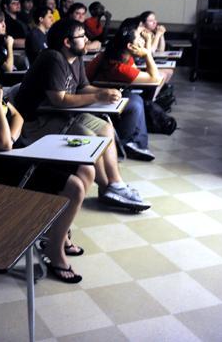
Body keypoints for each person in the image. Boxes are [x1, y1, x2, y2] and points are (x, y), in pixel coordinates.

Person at [0, 49, 93, 283]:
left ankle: (59, 234)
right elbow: (2, 144)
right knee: (75, 187)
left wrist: (10, 136)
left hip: (21, 154)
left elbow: (18, 118)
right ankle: (54, 251)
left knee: (87, 169)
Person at [14, 19, 151, 211]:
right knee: (90, 138)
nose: (87, 39)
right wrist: (97, 95)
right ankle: (108, 188)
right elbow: (59, 100)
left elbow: (82, 87)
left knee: (106, 128)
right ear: (67, 42)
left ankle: (115, 184)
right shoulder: (53, 58)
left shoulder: (76, 57)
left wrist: (106, 94)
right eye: (82, 36)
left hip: (61, 114)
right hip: (37, 121)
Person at [86, 18, 162, 161]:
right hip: (93, 97)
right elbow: (155, 79)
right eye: (139, 38)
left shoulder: (122, 56)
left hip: (106, 93)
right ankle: (124, 143)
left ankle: (136, 143)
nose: (142, 41)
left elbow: (143, 75)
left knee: (136, 99)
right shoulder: (118, 67)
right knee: (135, 103)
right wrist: (146, 54)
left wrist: (145, 51)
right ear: (130, 46)